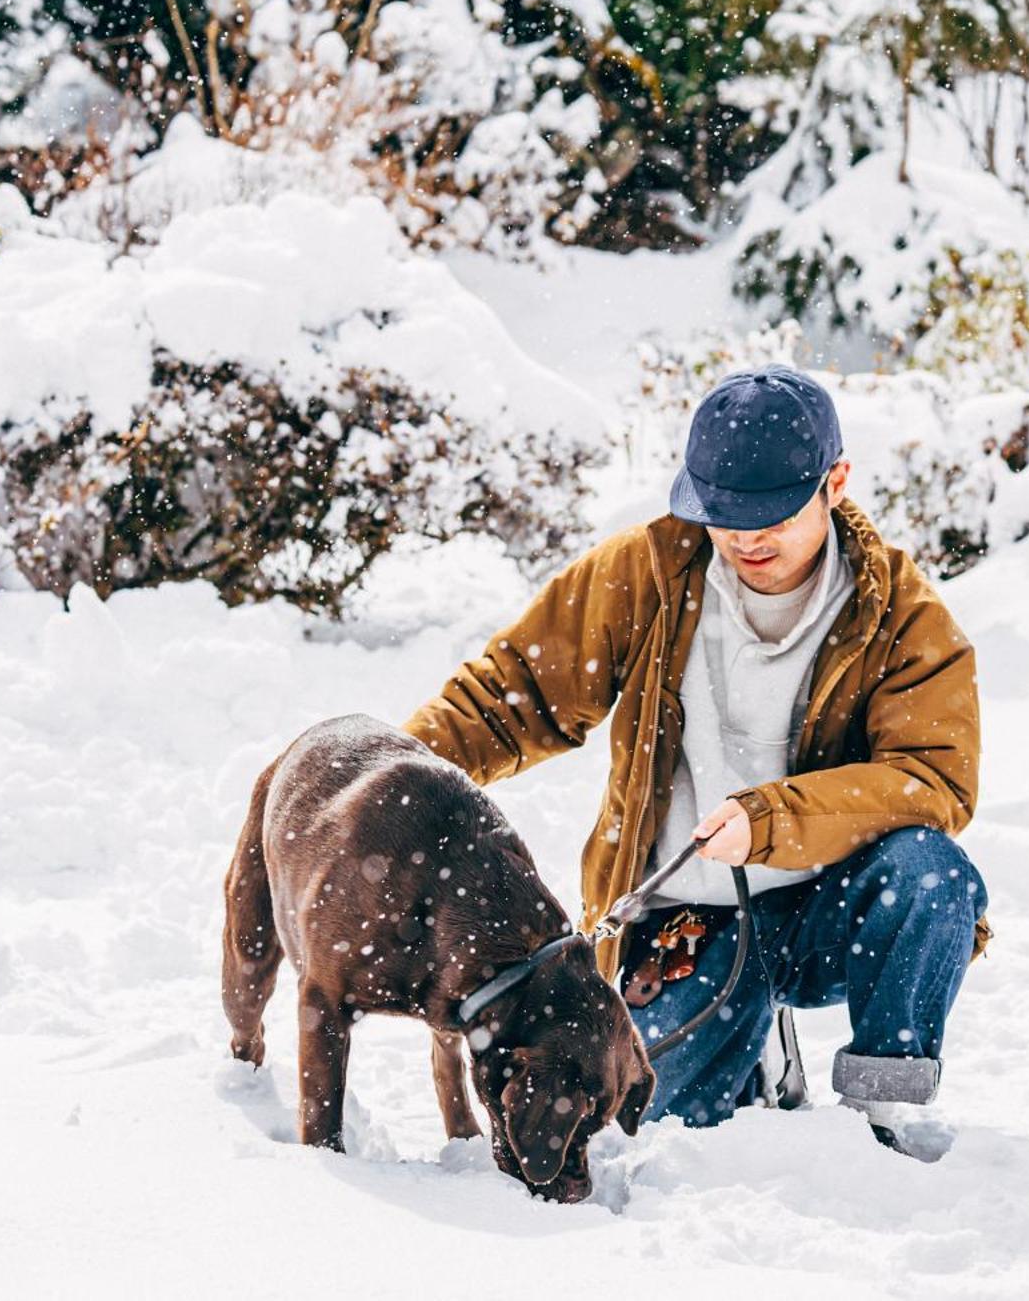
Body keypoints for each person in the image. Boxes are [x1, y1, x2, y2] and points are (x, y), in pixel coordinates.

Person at [401, 363, 988, 1158]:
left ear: (836, 482)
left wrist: (775, 820)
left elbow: (935, 777)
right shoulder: (644, 574)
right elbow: (513, 693)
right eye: (724, 514)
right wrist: (393, 774)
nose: (746, 539)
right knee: (652, 1136)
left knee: (934, 874)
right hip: (683, 923)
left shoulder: (902, 614)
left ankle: (882, 1109)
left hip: (826, 909)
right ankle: (749, 1038)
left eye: (773, 514)